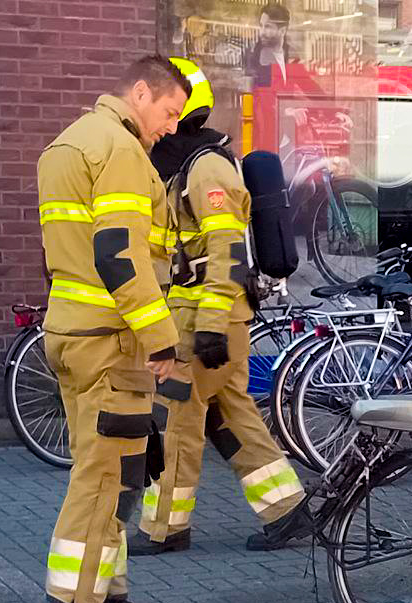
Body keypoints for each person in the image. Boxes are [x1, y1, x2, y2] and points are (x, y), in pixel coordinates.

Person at [128, 57, 312, 558]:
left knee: (177, 425)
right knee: (231, 417)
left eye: (169, 110)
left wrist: (209, 327)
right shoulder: (183, 166)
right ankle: (287, 509)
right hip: (207, 319)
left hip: (205, 323)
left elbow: (226, 251)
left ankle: (165, 528)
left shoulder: (206, 166)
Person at [37, 56, 189, 603]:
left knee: (113, 472)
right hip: (110, 340)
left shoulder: (66, 145)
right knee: (102, 481)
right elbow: (119, 254)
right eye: (169, 112)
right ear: (141, 92)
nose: (172, 127)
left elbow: (68, 252)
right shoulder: (120, 150)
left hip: (73, 333)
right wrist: (161, 337)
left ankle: (106, 597)